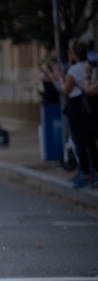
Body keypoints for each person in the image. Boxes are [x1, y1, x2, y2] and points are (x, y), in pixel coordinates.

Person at [47, 40, 97, 188]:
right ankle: (95, 174)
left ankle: (86, 175)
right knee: (91, 143)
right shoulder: (91, 68)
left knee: (79, 143)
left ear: (74, 54)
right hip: (91, 107)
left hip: (77, 107)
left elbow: (65, 90)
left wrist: (61, 81)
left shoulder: (74, 70)